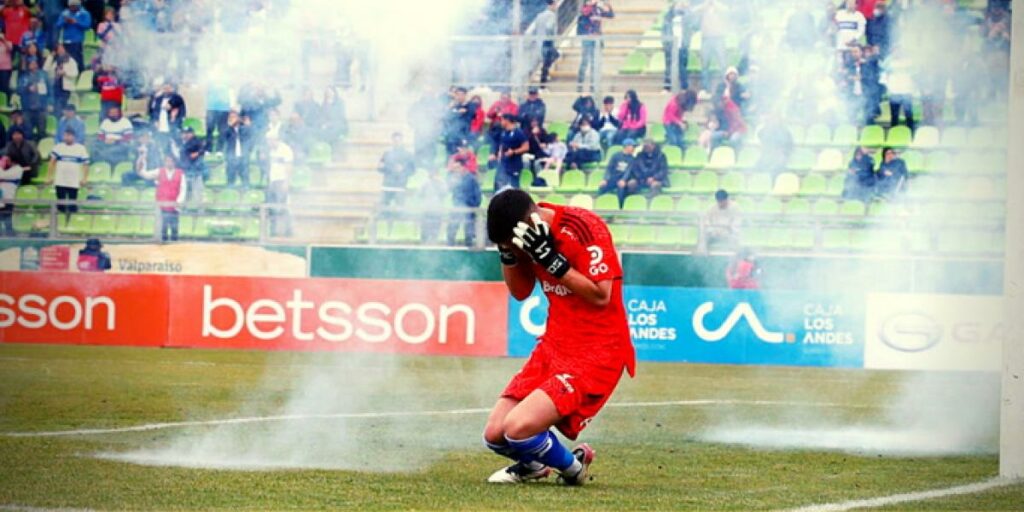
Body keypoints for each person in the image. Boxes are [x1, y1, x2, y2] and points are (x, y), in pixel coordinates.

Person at [482, 188, 634, 485]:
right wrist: (509, 253)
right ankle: (535, 467)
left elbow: (602, 295)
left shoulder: (584, 226)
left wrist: (552, 260)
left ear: (529, 221)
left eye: (512, 244)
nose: (516, 250)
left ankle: (574, 470)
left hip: (597, 350)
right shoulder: (525, 240)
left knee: (517, 428)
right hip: (555, 345)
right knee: (495, 435)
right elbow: (520, 291)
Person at [46, 128, 90, 221]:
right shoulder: (58, 147)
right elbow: (51, 162)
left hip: (73, 181)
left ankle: (71, 222)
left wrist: (85, 178)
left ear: (74, 136)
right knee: (61, 204)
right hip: (60, 181)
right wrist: (49, 177)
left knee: (72, 204)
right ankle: (60, 223)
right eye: (65, 135)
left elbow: (86, 165)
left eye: (69, 135)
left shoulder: (80, 148)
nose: (67, 137)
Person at [576, 0, 614, 93]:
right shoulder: (585, 9)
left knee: (594, 64)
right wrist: (591, 4)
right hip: (587, 40)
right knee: (584, 62)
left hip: (597, 40)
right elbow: (585, 12)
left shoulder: (598, 10)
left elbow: (611, 15)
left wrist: (608, 5)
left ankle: (593, 86)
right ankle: (580, 85)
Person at [447, 152, 482, 247]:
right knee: (451, 229)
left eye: (457, 167)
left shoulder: (471, 179)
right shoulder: (455, 178)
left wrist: (472, 207)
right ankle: (449, 248)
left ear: (463, 167)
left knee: (469, 233)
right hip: (457, 208)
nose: (456, 170)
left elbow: (477, 196)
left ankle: (469, 250)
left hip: (469, 210)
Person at [491, 113, 529, 191]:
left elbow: (526, 147)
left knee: (514, 187)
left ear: (507, 121)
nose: (500, 122)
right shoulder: (503, 132)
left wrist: (514, 152)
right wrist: (497, 155)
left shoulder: (518, 132)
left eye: (502, 120)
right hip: (503, 164)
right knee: (499, 185)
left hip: (514, 164)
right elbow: (501, 146)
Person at [378, 132, 416, 207]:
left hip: (400, 186)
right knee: (384, 208)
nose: (396, 142)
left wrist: (403, 170)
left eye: (398, 141)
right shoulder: (387, 154)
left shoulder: (408, 155)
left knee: (400, 209)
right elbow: (380, 168)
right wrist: (385, 168)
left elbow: (412, 170)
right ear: (392, 141)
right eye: (394, 141)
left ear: (402, 141)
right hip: (387, 186)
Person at [265, 136, 294, 237]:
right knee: (271, 207)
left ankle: (289, 230)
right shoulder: (270, 151)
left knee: (284, 206)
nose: (269, 143)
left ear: (276, 139)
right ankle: (273, 230)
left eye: (270, 140)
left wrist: (286, 182)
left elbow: (289, 167)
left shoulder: (286, 150)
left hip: (281, 181)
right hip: (272, 181)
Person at [597, 138, 637, 208]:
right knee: (602, 186)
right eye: (632, 146)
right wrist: (605, 179)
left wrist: (623, 180)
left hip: (623, 179)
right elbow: (609, 168)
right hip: (614, 178)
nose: (634, 148)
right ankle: (599, 204)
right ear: (627, 146)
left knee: (621, 188)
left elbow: (628, 171)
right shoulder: (616, 156)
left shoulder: (632, 159)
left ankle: (619, 207)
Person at [17, 59, 48, 142]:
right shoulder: (23, 77)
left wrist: (50, 103)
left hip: (41, 108)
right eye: (31, 64)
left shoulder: (43, 75)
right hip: (27, 109)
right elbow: (19, 90)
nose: (33, 65)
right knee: (28, 132)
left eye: (35, 63)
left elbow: (49, 90)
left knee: (42, 131)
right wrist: (27, 88)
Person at [661, 1, 689, 92]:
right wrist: (665, 43)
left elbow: (693, 25)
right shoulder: (668, 17)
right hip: (670, 45)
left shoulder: (686, 17)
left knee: (682, 67)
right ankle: (667, 87)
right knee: (668, 66)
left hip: (682, 45)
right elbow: (664, 31)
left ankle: (684, 87)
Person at [55, 0, 91, 69]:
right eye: (71, 6)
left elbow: (87, 25)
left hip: (77, 41)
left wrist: (76, 22)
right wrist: (64, 21)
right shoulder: (65, 13)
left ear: (78, 6)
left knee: (77, 60)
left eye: (74, 6)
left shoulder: (84, 13)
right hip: (66, 41)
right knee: (66, 60)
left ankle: (80, 74)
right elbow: (58, 25)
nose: (72, 8)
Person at [149, 82, 186, 148]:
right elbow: (155, 110)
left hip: (172, 124)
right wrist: (155, 120)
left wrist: (170, 106)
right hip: (161, 123)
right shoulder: (159, 98)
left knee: (175, 141)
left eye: (168, 88)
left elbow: (174, 107)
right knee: (161, 141)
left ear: (172, 88)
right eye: (165, 88)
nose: (166, 90)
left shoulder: (177, 97)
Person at [532, 0, 560, 85]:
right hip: (547, 41)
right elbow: (549, 27)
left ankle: (544, 75)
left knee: (548, 58)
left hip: (540, 41)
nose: (556, 7)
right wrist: (551, 37)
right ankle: (543, 81)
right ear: (552, 5)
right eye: (555, 5)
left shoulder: (539, 15)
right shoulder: (551, 15)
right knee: (552, 57)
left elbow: (536, 28)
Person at [223, 111, 253, 188]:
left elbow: (251, 136)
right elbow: (224, 136)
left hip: (243, 157)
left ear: (238, 118)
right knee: (230, 182)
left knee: (245, 182)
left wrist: (248, 126)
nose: (232, 119)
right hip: (232, 158)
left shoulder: (244, 128)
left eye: (234, 117)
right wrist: (230, 126)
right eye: (230, 117)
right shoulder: (228, 130)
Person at [444, 87, 476, 155]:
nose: (459, 96)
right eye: (458, 94)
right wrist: (455, 110)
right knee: (450, 153)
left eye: (461, 94)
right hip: (452, 133)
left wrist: (455, 113)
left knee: (462, 154)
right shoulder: (454, 105)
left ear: (465, 95)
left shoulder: (470, 105)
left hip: (463, 134)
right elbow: (447, 117)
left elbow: (469, 117)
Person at [178, 127, 206, 204]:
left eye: (188, 133)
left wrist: (197, 153)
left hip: (195, 171)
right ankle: (185, 207)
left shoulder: (196, 141)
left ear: (193, 133)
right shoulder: (181, 143)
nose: (186, 135)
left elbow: (202, 149)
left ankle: (199, 208)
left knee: (197, 191)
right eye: (184, 133)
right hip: (184, 170)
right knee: (185, 192)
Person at [0, 155, 24, 236]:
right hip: (1, 199)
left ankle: (10, 237)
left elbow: (2, 175)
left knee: (7, 220)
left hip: (9, 198)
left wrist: (1, 166)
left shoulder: (18, 169)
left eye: (8, 160)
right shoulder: (7, 170)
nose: (7, 162)